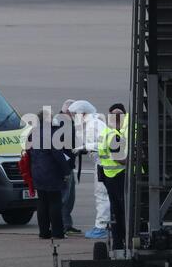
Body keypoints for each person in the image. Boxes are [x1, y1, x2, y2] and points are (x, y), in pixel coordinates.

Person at [68, 100, 111, 239]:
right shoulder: (91, 124)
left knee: (102, 195)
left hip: (104, 164)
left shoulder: (94, 125)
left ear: (83, 113)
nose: (74, 117)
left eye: (75, 114)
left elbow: (102, 144)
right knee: (102, 195)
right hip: (102, 163)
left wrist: (84, 147)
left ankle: (102, 226)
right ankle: (104, 225)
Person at [28, 109, 71, 239]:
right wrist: (66, 171)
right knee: (55, 202)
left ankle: (44, 232)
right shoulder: (52, 134)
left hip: (37, 172)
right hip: (51, 172)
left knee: (42, 202)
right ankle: (58, 232)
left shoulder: (33, 133)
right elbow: (58, 155)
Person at [98, 103, 127, 249]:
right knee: (122, 211)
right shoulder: (114, 136)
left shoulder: (106, 132)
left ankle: (118, 242)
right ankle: (120, 241)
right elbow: (119, 158)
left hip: (109, 175)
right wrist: (133, 160)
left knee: (115, 212)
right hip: (117, 176)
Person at [53, 99, 82, 235]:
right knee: (64, 198)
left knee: (69, 198)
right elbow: (59, 148)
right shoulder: (62, 123)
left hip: (67, 165)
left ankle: (67, 224)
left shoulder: (64, 122)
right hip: (64, 167)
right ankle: (61, 225)